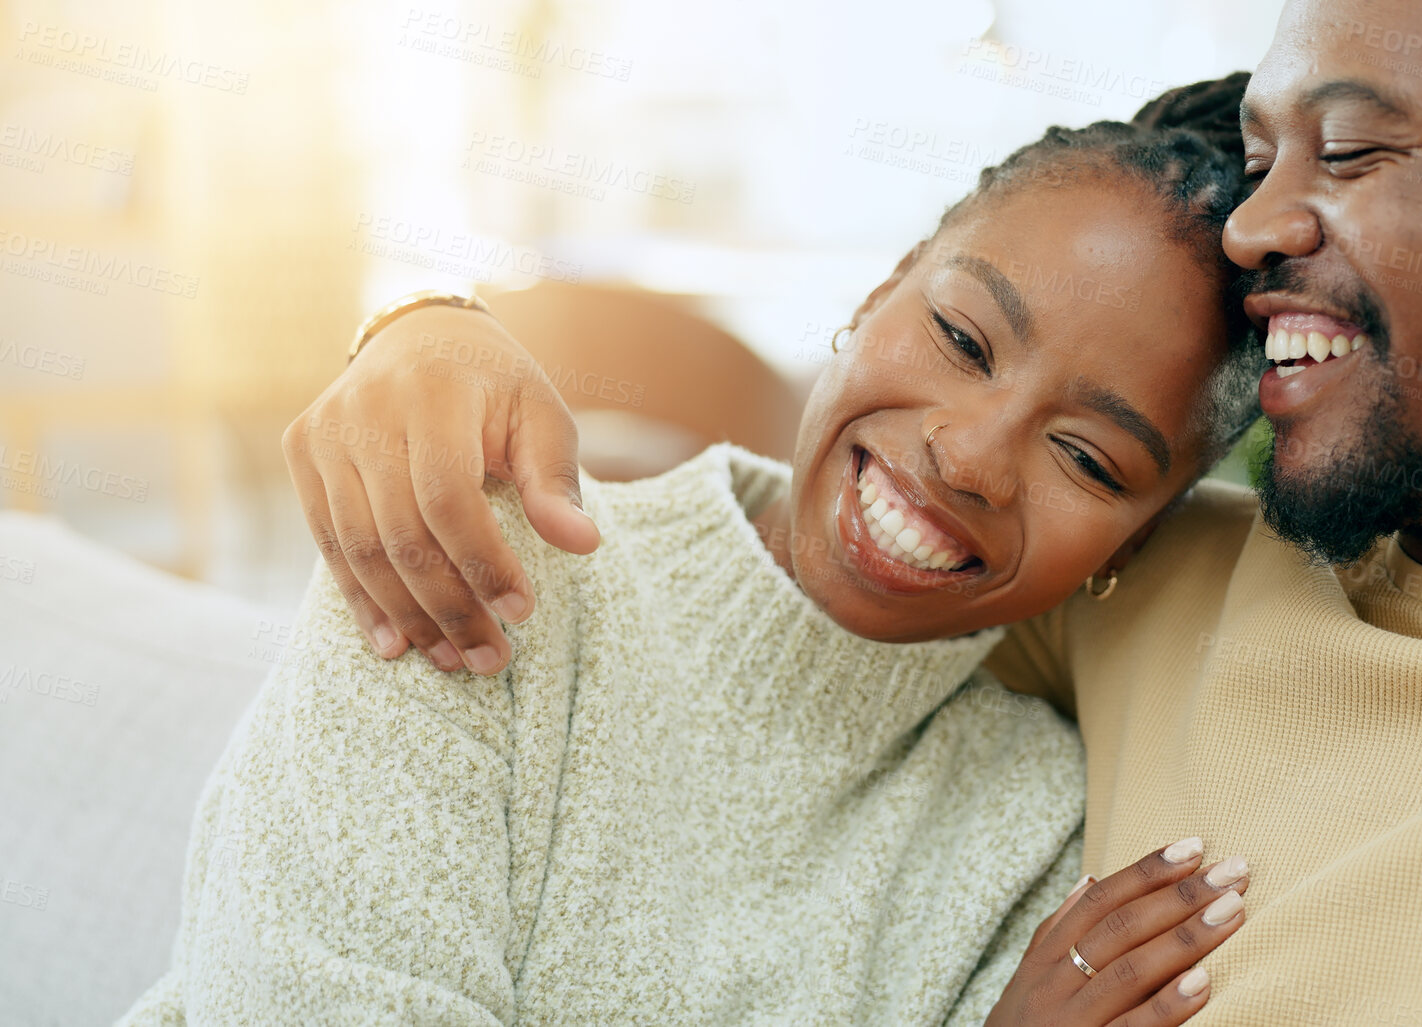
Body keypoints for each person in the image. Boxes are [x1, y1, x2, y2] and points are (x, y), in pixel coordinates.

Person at [302, 1, 1422, 1023]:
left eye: (1356, 152)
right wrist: (429, 330)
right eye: (1259, 151)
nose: (1257, 225)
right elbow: (824, 487)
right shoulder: (1143, 582)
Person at [121, 81, 1275, 1026]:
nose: (968, 456)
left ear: (1143, 534)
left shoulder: (1035, 843)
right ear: (880, 288)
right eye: (963, 337)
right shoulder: (483, 559)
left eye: (1087, 457)